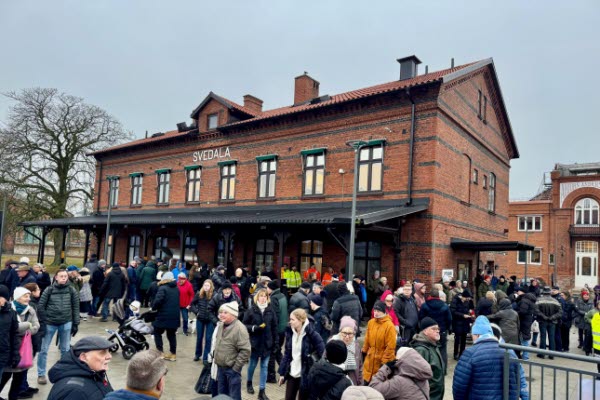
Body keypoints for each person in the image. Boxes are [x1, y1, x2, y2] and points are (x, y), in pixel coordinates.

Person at [452, 316, 519, 400]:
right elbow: (514, 383)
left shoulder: (470, 353)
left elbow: (460, 385)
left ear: (477, 334)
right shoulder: (509, 352)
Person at [36, 269, 80, 385]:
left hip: (66, 322)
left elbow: (76, 307)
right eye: (61, 276)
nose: (64, 278)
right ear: (56, 277)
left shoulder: (72, 290)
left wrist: (76, 323)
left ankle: (63, 373)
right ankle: (41, 374)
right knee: (43, 349)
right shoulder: (49, 290)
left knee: (65, 350)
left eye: (65, 276)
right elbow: (41, 306)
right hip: (50, 323)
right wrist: (44, 320)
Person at [0, 287, 39, 400]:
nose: (28, 298)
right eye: (25, 296)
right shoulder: (9, 310)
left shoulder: (31, 310)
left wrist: (25, 331)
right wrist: (27, 325)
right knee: (4, 377)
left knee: (18, 380)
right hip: (9, 349)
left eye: (29, 296)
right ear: (17, 297)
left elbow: (36, 327)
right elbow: (12, 329)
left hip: (23, 349)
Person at [47, 336, 114, 400]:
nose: (109, 356)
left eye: (108, 351)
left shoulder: (96, 375)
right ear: (83, 357)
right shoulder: (74, 392)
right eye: (102, 353)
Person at [278, 308, 325, 400]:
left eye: (292, 319)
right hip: (292, 373)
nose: (290, 322)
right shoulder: (289, 332)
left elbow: (322, 353)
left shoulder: (313, 334)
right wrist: (282, 373)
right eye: (290, 319)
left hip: (306, 374)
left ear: (300, 320)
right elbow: (287, 353)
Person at [242, 288, 278, 399]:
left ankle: (262, 391)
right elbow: (244, 325)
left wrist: (276, 343)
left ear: (267, 298)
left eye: (265, 296)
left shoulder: (270, 311)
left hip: (267, 344)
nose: (263, 298)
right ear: (257, 297)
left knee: (264, 366)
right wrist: (254, 328)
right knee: (252, 365)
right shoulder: (251, 310)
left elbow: (274, 328)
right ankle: (249, 383)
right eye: (261, 296)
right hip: (255, 344)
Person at [213, 301, 251, 400]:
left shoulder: (240, 329)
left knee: (234, 396)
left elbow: (245, 350)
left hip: (232, 370)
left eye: (225, 312)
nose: (221, 314)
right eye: (221, 312)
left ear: (233, 314)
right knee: (222, 395)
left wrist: (236, 368)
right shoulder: (221, 325)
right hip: (220, 368)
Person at [362, 301, 396, 385]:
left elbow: (390, 347)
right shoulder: (371, 322)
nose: (376, 313)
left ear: (383, 311)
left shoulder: (389, 326)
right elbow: (367, 339)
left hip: (381, 360)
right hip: (370, 358)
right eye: (375, 310)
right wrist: (364, 351)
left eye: (378, 311)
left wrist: (384, 363)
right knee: (366, 382)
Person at [410, 317, 444, 400]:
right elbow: (417, 378)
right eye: (434, 329)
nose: (437, 331)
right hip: (429, 396)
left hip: (436, 395)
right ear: (425, 331)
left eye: (438, 328)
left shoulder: (434, 345)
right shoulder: (421, 350)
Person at [418, 288, 452, 370]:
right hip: (441, 330)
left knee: (429, 349)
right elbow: (449, 319)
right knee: (443, 350)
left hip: (428, 332)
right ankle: (443, 369)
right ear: (438, 296)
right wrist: (447, 329)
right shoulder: (445, 306)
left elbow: (421, 318)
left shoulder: (425, 306)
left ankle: (430, 369)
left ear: (430, 295)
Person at [151, 271, 180, 361]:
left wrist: (153, 307)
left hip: (163, 315)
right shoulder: (176, 288)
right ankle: (173, 354)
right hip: (174, 316)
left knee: (157, 332)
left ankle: (160, 353)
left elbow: (158, 301)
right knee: (171, 335)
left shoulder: (162, 288)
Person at [328, 316, 363, 385]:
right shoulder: (331, 345)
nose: (347, 337)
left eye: (350, 333)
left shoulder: (356, 346)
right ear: (340, 332)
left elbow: (360, 368)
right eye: (344, 333)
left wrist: (360, 384)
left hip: (352, 385)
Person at [266, 280, 287, 383]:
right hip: (283, 329)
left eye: (267, 288)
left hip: (277, 330)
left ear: (271, 288)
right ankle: (286, 371)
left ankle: (271, 376)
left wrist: (271, 330)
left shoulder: (273, 298)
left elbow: (275, 316)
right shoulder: (282, 296)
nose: (266, 289)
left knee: (272, 354)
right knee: (278, 352)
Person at [190, 279, 215, 363]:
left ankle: (205, 357)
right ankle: (197, 354)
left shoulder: (214, 295)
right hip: (200, 318)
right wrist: (196, 312)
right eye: (205, 285)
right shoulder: (199, 294)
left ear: (211, 286)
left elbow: (218, 306)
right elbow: (192, 304)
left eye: (208, 286)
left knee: (208, 339)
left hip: (210, 320)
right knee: (199, 337)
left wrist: (215, 316)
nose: (206, 287)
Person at [534, 286, 562, 358]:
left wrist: (544, 317)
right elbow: (560, 312)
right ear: (550, 292)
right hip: (552, 322)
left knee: (543, 336)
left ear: (543, 292)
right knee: (551, 337)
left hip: (542, 321)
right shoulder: (555, 301)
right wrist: (552, 317)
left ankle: (542, 354)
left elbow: (536, 311)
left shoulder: (539, 300)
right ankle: (551, 355)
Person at [450, 289, 474, 360]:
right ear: (464, 296)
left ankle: (462, 354)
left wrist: (470, 314)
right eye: (467, 298)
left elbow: (470, 309)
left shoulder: (467, 301)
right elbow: (453, 311)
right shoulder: (456, 300)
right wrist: (462, 315)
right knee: (457, 339)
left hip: (465, 322)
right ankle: (455, 354)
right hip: (457, 322)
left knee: (464, 339)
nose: (468, 299)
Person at [514, 286, 536, 360]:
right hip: (527, 320)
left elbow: (522, 312)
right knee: (525, 338)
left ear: (522, 292)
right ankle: (525, 356)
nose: (517, 292)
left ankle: (525, 356)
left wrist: (515, 313)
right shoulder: (529, 300)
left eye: (519, 291)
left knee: (524, 339)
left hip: (523, 321)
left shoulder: (524, 300)